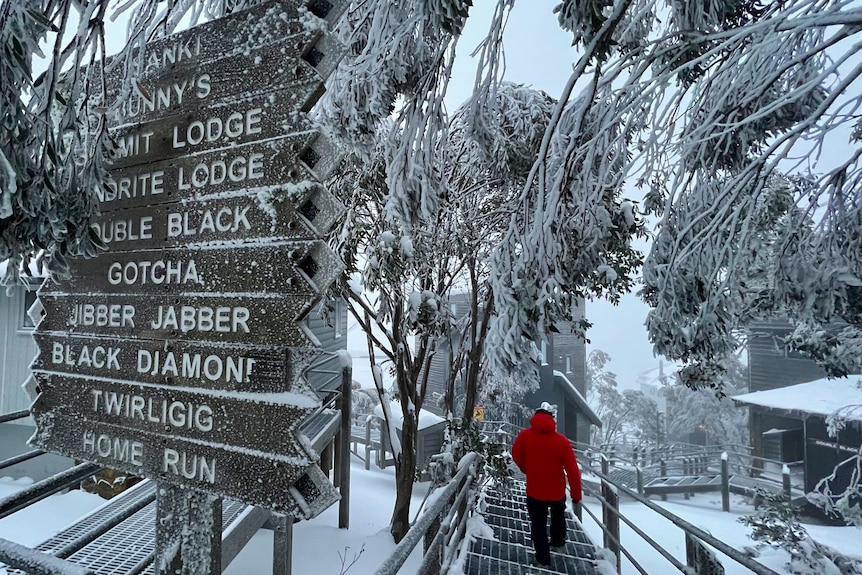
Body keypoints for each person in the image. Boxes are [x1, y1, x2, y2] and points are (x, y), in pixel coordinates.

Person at [512, 402, 583, 568]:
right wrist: (576, 495)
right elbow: (573, 470)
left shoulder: (525, 436)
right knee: (558, 515)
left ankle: (542, 559)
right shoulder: (561, 441)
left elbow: (516, 454)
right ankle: (558, 543)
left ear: (535, 417)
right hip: (557, 490)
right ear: (552, 420)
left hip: (535, 490)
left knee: (538, 524)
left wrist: (526, 469)